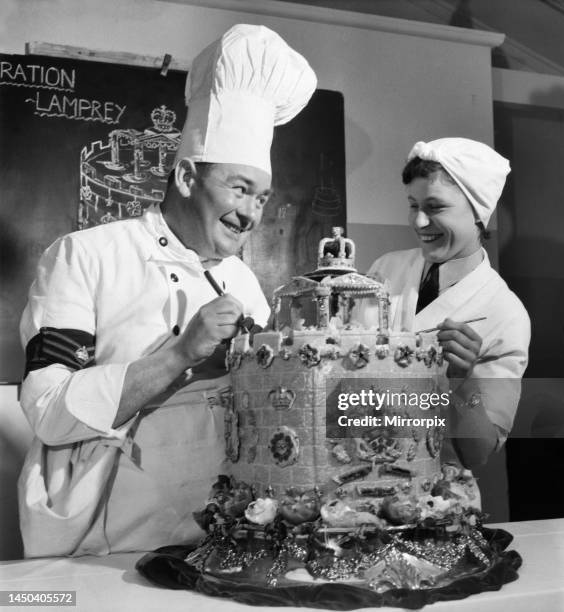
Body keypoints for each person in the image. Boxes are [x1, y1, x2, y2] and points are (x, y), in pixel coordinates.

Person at [17, 24, 317, 557]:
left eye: (263, 197)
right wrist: (179, 353)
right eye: (239, 188)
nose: (251, 213)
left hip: (222, 532)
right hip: (113, 534)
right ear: (184, 177)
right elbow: (47, 411)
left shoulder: (245, 282)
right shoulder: (84, 256)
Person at [365, 137, 530, 469]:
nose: (419, 222)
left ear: (479, 215)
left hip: (438, 497)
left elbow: (478, 453)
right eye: (414, 205)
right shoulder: (386, 270)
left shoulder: (505, 313)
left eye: (435, 207)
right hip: (360, 479)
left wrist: (463, 381)